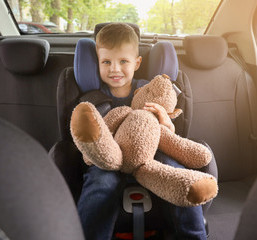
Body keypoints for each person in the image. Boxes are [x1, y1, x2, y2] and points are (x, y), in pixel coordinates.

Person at [77, 22, 217, 240]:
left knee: (177, 171)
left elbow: (168, 134)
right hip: (109, 158)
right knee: (100, 183)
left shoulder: (150, 89)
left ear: (137, 62)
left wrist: (166, 124)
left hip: (152, 154)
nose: (114, 68)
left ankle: (194, 235)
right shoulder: (92, 97)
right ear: (98, 64)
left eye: (123, 61)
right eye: (106, 62)